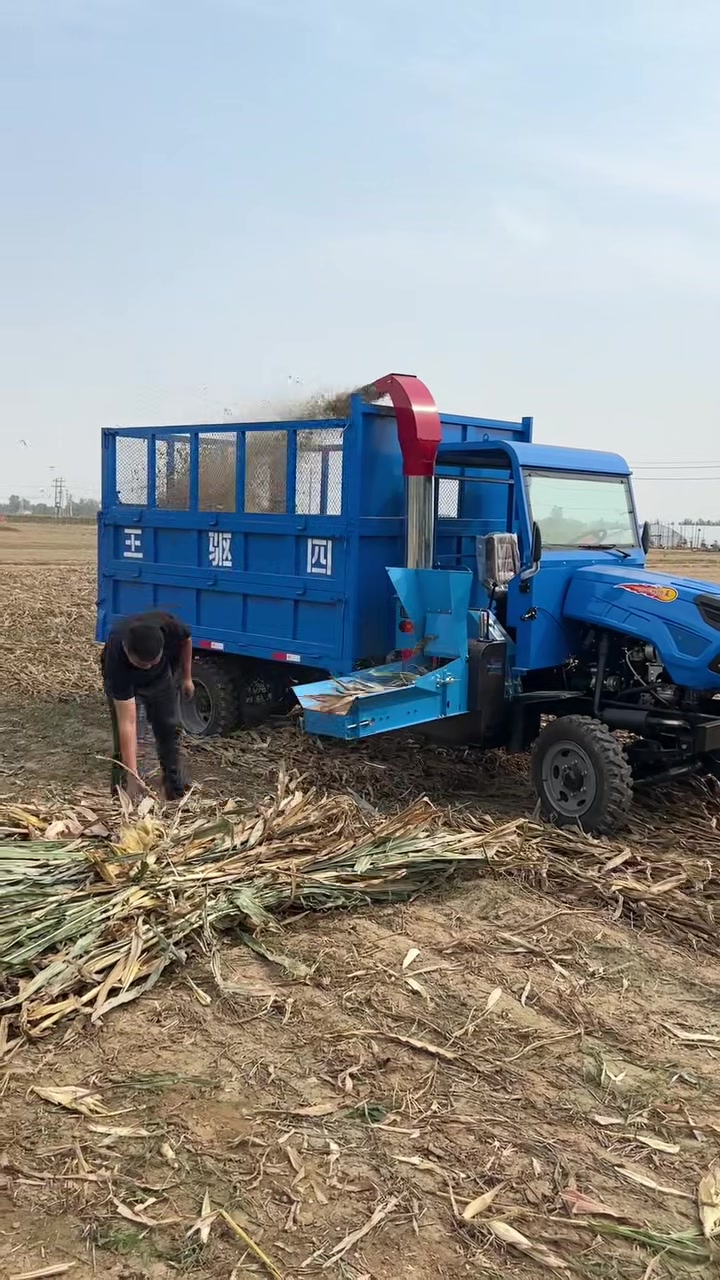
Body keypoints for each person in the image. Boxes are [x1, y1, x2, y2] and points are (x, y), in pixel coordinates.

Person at [102, 610, 195, 800]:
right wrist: (133, 774)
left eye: (154, 661)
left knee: (168, 728)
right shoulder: (116, 658)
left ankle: (174, 789)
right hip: (127, 680)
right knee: (124, 739)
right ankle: (124, 789)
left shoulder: (169, 626)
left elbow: (186, 641)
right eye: (143, 664)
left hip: (160, 681)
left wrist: (187, 677)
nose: (149, 666)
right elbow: (128, 722)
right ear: (128, 650)